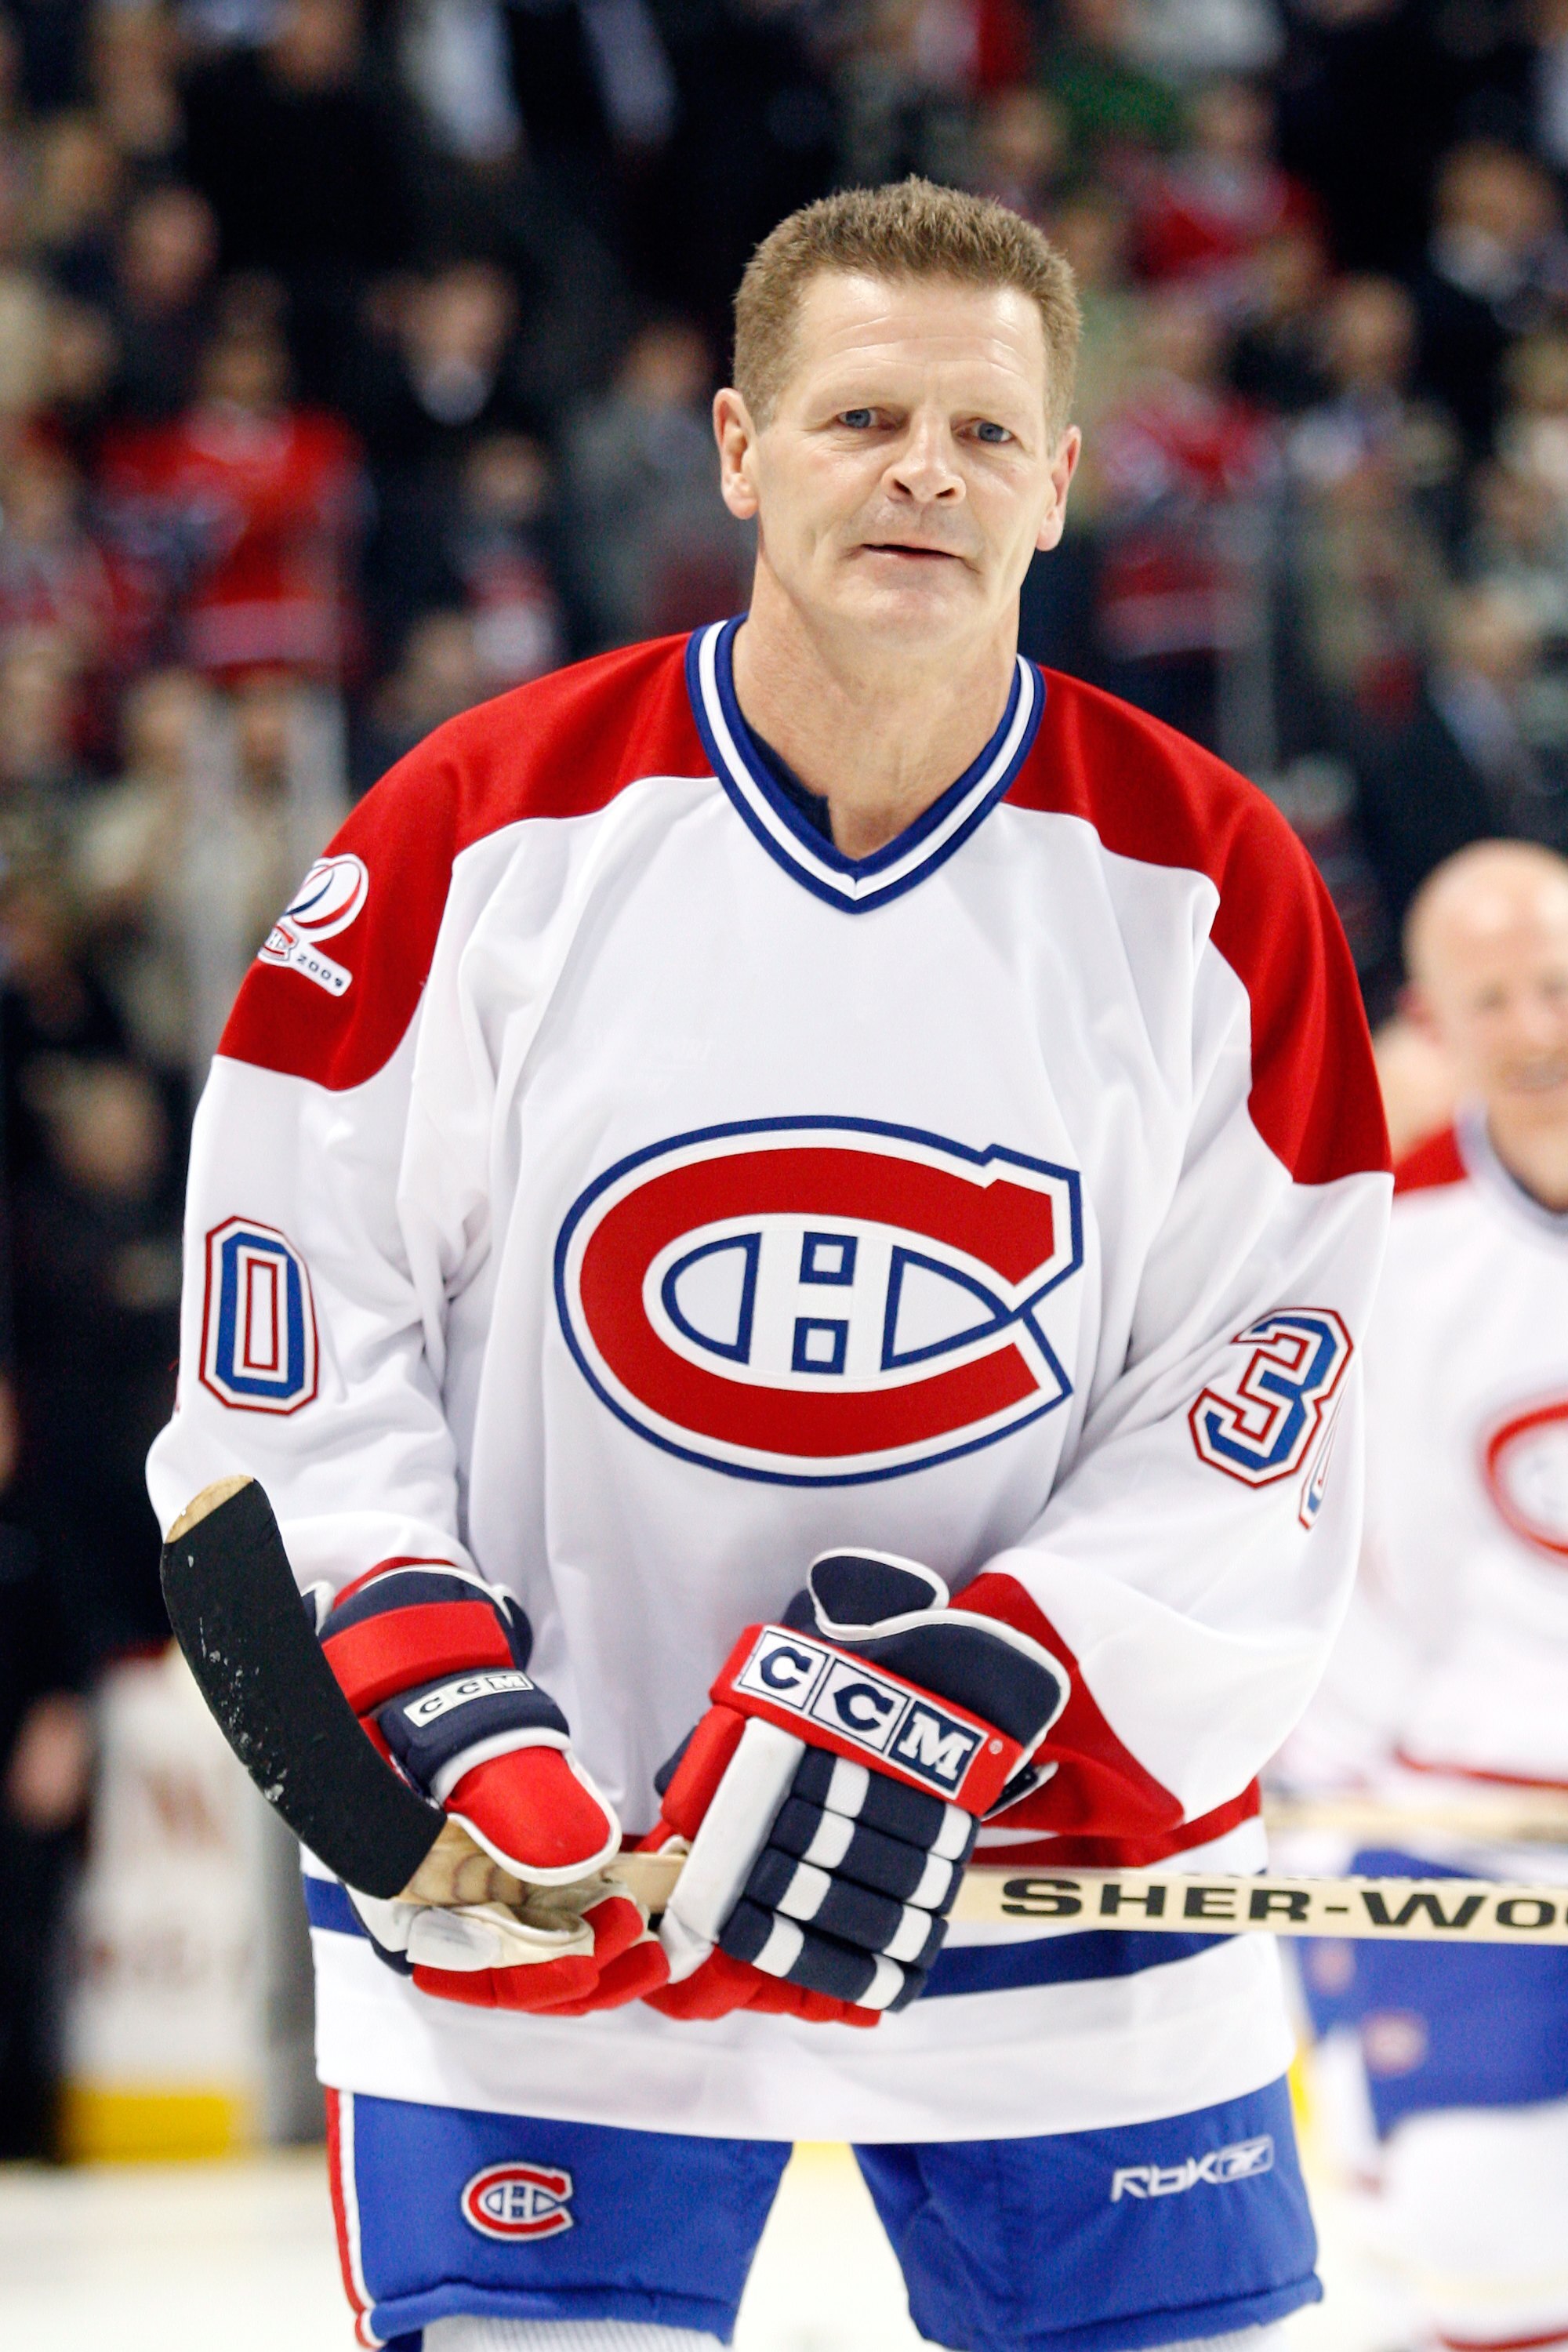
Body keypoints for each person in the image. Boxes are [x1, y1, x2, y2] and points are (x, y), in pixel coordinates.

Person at [146, 180, 1390, 2352]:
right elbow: (293, 1341)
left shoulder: (1210, 881)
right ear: (739, 449)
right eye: (861, 417)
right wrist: (437, 1703)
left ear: (1065, 486)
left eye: (988, 434)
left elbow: (1256, 1401)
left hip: (1045, 1893)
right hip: (553, 1879)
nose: (926, 471)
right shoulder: (480, 828)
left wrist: (966, 1702)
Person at [1281, 840, 1568, 2352]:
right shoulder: (1379, 1240)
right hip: (1461, 1824)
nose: (1536, 1030)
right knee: (1467, 2233)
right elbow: (1315, 1540)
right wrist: (1330, 1798)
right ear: (1433, 1029)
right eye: (1493, 999)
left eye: (1558, 987)